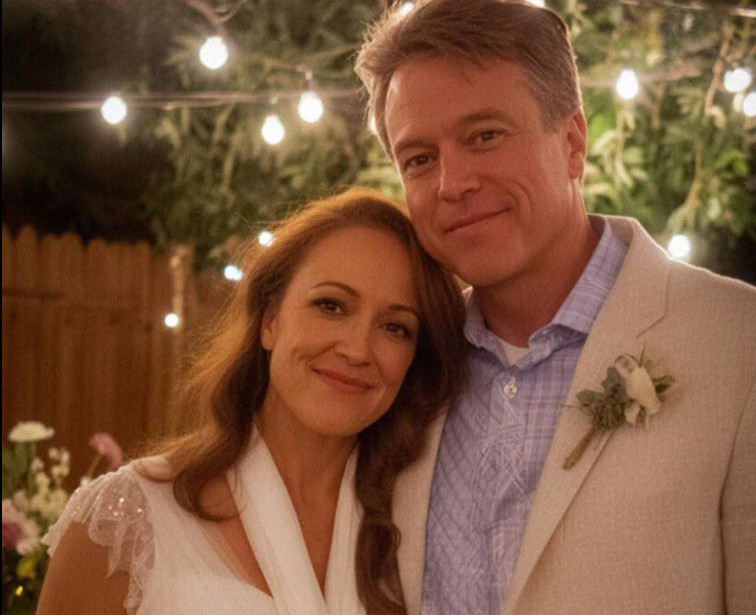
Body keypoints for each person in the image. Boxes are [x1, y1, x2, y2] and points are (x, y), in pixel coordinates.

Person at [356, 1, 756, 614]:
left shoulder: (736, 341)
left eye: (485, 136)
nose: (452, 183)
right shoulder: (406, 368)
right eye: (419, 159)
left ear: (572, 141)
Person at [36, 188, 467, 615]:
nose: (357, 349)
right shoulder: (125, 522)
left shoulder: (414, 538)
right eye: (331, 306)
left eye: (395, 328)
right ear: (269, 321)